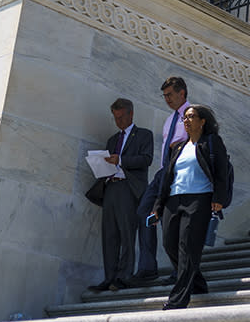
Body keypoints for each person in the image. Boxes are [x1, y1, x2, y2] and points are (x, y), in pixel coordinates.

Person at [152, 105, 229, 310]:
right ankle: (198, 283)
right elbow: (167, 178)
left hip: (199, 199)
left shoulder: (212, 142)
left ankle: (178, 299)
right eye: (184, 118)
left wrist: (219, 198)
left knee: (188, 248)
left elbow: (222, 172)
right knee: (170, 244)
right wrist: (158, 205)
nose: (186, 121)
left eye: (191, 117)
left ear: (202, 121)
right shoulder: (178, 147)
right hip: (174, 199)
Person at [88, 98, 154, 292]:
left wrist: (122, 160)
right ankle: (109, 278)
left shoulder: (144, 135)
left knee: (127, 234)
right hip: (111, 188)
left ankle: (124, 276)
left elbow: (146, 159)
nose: (118, 122)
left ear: (130, 114)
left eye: (121, 117)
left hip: (129, 188)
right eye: (115, 118)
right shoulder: (112, 139)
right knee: (109, 235)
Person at [133, 77, 190, 286]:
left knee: (172, 221)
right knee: (144, 212)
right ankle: (148, 267)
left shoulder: (192, 114)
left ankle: (179, 270)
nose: (166, 99)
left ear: (182, 93)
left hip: (180, 172)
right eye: (164, 95)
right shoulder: (169, 119)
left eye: (170, 95)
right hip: (162, 172)